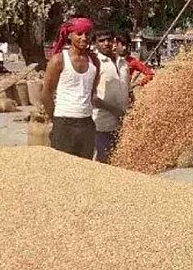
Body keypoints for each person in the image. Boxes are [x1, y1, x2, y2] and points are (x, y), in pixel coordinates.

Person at [41, 17, 100, 159]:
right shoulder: (59, 60)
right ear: (69, 35)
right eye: (79, 34)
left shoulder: (94, 61)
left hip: (87, 123)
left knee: (84, 169)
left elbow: (92, 91)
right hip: (64, 122)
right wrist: (56, 120)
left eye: (87, 34)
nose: (84, 38)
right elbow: (46, 94)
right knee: (63, 171)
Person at [91, 29, 130, 163]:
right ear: (95, 44)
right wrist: (115, 111)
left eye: (108, 39)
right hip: (102, 123)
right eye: (101, 41)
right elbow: (93, 98)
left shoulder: (123, 63)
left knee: (120, 162)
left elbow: (126, 89)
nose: (106, 43)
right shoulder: (94, 64)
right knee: (104, 162)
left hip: (122, 123)